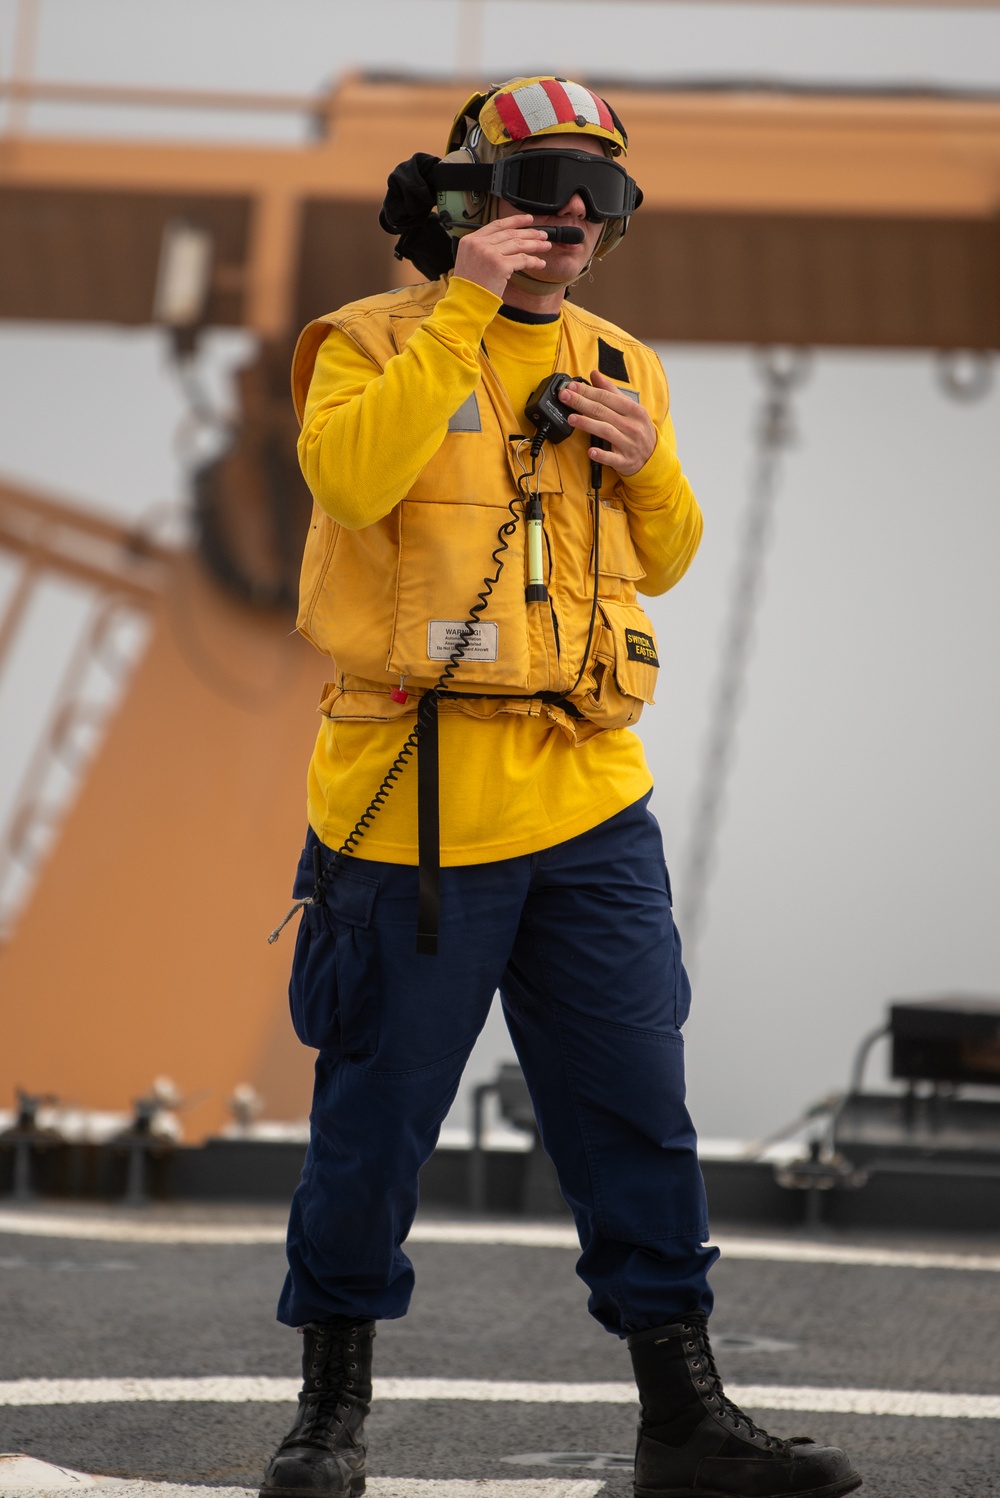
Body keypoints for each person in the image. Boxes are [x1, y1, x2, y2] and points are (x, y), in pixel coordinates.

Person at [261, 77, 861, 1498]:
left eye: (603, 195)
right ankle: (327, 1420)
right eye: (540, 181)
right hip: (410, 804)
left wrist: (652, 470)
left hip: (589, 800)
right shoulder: (365, 344)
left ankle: (686, 1420)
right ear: (475, 193)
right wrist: (465, 302)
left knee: (637, 1109)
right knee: (376, 1120)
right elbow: (350, 480)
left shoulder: (622, 364)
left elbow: (663, 555)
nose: (574, 216)